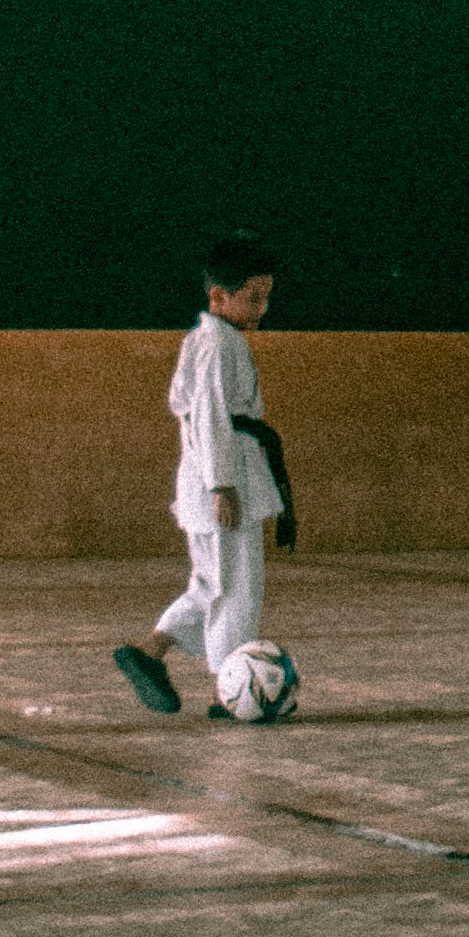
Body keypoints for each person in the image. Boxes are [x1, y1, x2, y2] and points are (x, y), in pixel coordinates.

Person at [114, 233, 293, 719]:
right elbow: (210, 415)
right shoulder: (217, 342)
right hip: (221, 479)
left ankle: (149, 653)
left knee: (212, 583)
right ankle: (229, 692)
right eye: (253, 297)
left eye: (267, 296)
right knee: (236, 587)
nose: (263, 307)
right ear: (219, 296)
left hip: (221, 473)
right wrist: (222, 484)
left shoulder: (215, 339)